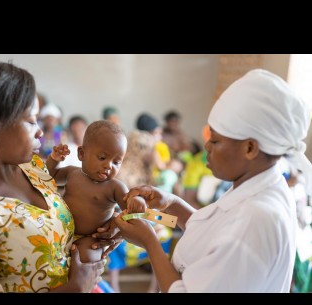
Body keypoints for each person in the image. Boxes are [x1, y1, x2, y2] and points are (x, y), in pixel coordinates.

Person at [115, 69, 312, 293]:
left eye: (216, 141)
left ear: (250, 148)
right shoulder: (257, 185)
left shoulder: (256, 220)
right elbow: (210, 233)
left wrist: (150, 242)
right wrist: (172, 206)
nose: (206, 147)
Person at [0, 61, 119, 293]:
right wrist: (75, 288)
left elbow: (62, 225)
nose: (40, 131)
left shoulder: (32, 168)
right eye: (31, 121)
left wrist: (104, 227)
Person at [45, 120, 146, 264]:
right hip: (60, 231)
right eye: (102, 158)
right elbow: (51, 177)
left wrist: (138, 200)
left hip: (90, 238)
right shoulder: (72, 173)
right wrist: (53, 159)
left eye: (116, 162)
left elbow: (130, 210)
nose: (108, 166)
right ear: (82, 154)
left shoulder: (115, 187)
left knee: (87, 257)